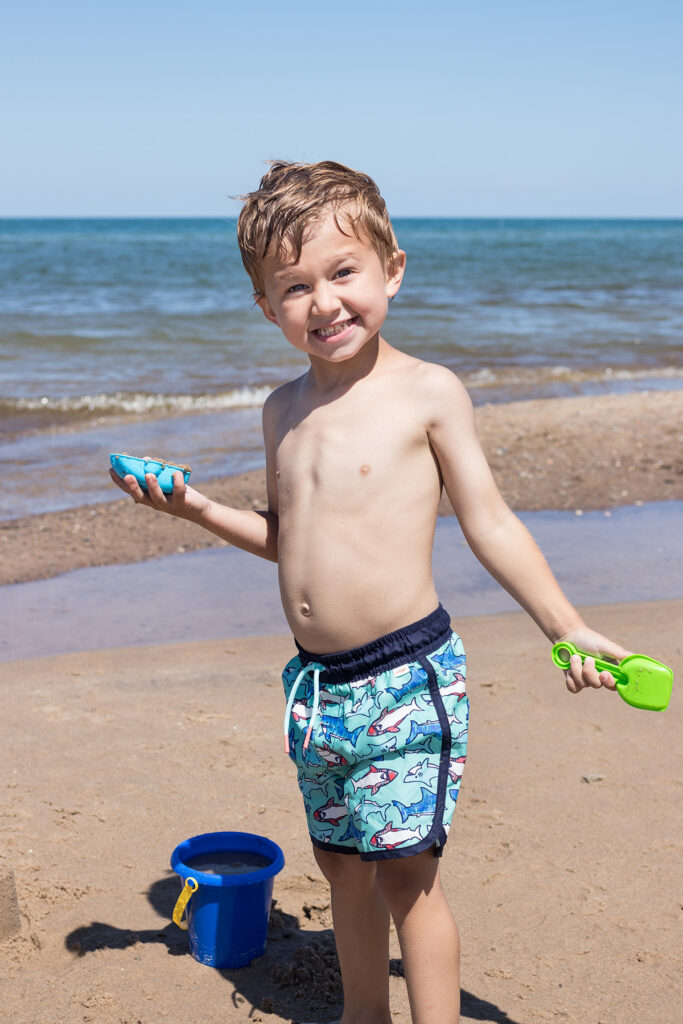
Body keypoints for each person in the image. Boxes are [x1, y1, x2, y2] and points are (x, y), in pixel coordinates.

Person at [110, 160, 630, 1024]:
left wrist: (564, 627)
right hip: (318, 691)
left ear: (391, 267)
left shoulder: (426, 393)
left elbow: (490, 522)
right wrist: (196, 507)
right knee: (341, 870)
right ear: (266, 308)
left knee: (407, 881)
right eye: (294, 287)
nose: (323, 302)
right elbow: (290, 542)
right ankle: (363, 1015)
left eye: (342, 273)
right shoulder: (281, 410)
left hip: (404, 677)